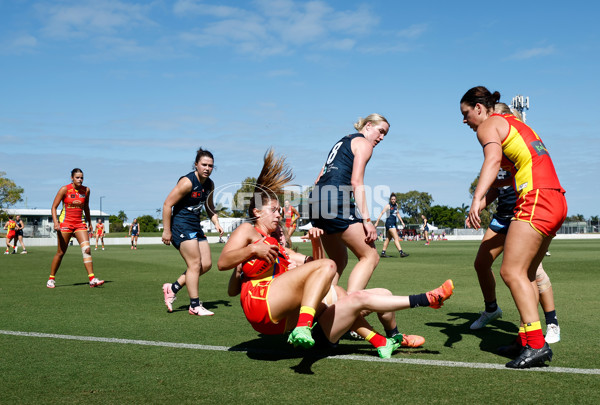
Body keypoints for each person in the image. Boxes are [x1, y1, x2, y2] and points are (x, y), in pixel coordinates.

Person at [218, 149, 455, 356]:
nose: (279, 215)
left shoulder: (279, 248)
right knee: (351, 293)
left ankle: (388, 339)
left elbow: (321, 270)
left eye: (280, 211)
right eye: (274, 210)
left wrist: (315, 243)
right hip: (268, 308)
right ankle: (424, 300)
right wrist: (252, 251)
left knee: (373, 293)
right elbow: (223, 264)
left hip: (301, 322)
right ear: (257, 212)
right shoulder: (247, 231)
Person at [461, 86, 567, 368]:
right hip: (555, 197)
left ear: (480, 108)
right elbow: (519, 168)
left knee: (511, 271)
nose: (465, 120)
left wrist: (476, 199)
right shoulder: (518, 124)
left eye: (466, 113)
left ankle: (535, 345)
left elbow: (493, 160)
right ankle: (525, 339)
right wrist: (491, 191)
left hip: (537, 197)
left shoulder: (490, 125)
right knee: (528, 273)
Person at [309, 114, 389, 293]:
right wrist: (367, 221)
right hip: (335, 200)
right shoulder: (364, 144)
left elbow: (318, 178)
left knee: (338, 259)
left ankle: (320, 307)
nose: (382, 138)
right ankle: (351, 306)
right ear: (368, 126)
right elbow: (356, 182)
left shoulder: (342, 142)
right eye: (380, 131)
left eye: (385, 135)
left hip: (315, 201)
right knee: (370, 256)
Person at [161, 148, 224, 316]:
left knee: (206, 264)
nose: (207, 168)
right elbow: (167, 204)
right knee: (194, 264)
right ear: (196, 165)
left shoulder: (210, 184)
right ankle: (194, 305)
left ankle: (172, 288)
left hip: (195, 225)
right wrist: (166, 231)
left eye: (210, 166)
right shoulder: (187, 182)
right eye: (204, 164)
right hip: (181, 226)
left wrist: (216, 222)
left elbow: (209, 207)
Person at [47, 168, 105, 288]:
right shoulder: (64, 189)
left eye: (82, 177)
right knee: (61, 252)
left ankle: (92, 279)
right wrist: (56, 222)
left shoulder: (86, 190)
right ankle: (51, 279)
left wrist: (89, 222)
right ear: (72, 178)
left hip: (80, 223)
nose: (80, 180)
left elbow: (86, 207)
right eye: (77, 177)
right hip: (65, 223)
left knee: (87, 249)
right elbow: (54, 207)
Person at [375, 193, 409, 258]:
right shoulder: (388, 206)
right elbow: (382, 213)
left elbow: (398, 214)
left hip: (393, 224)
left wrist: (402, 222)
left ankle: (383, 253)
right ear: (390, 200)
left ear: (396, 200)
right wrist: (377, 222)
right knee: (396, 238)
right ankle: (401, 252)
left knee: (388, 239)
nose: (393, 200)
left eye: (394, 199)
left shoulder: (396, 205)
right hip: (389, 224)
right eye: (392, 199)